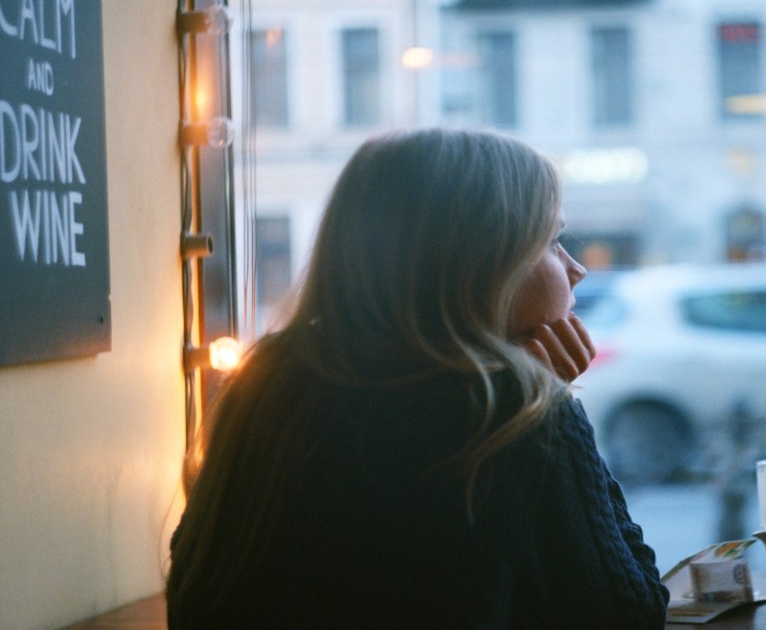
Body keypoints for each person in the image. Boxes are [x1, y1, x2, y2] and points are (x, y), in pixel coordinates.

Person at [166, 129, 669, 629]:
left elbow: (194, 596)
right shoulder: (508, 412)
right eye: (553, 241)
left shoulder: (270, 379)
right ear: (481, 263)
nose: (576, 268)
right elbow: (631, 613)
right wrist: (550, 400)